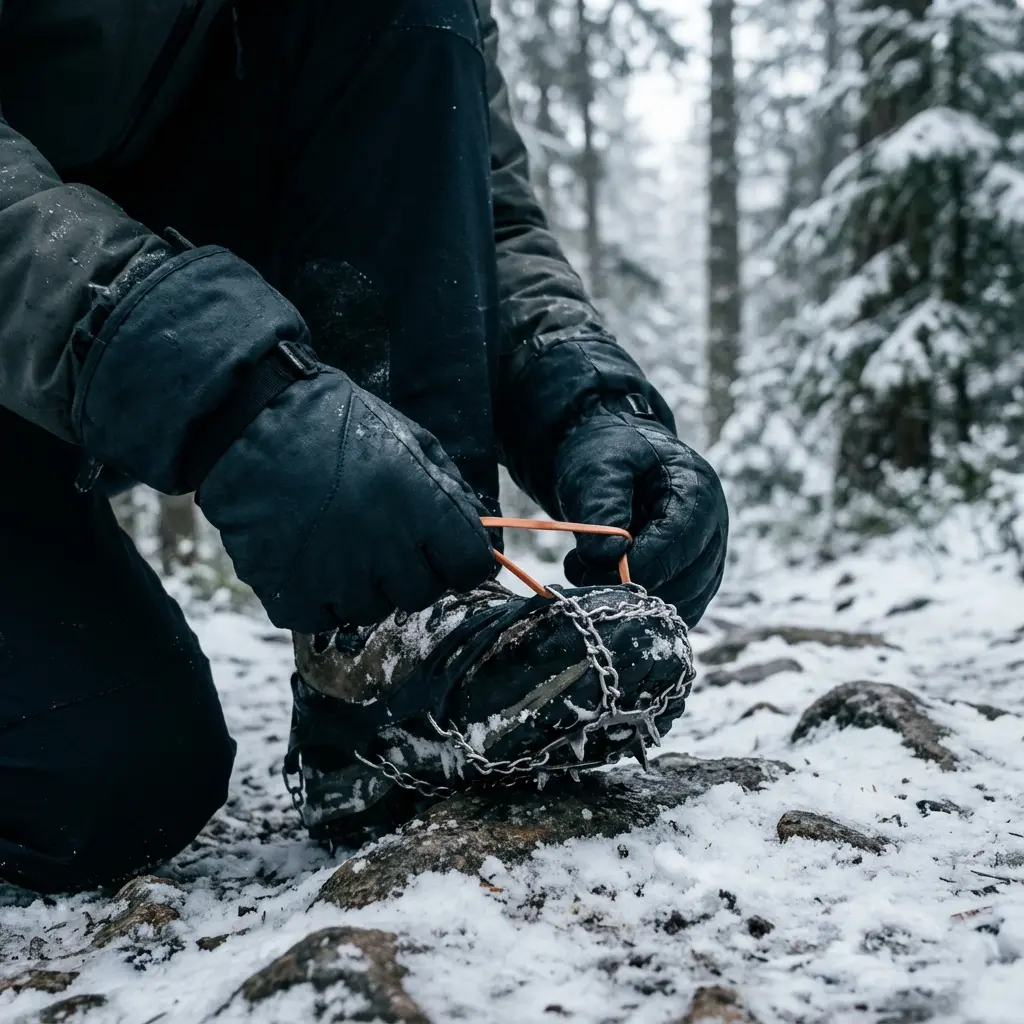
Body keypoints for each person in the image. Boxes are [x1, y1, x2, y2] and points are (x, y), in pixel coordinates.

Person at [0, 0, 728, 894]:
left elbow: (473, 199)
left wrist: (582, 399)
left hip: (84, 350)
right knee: (97, 783)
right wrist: (208, 377)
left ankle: (392, 657)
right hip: (74, 323)